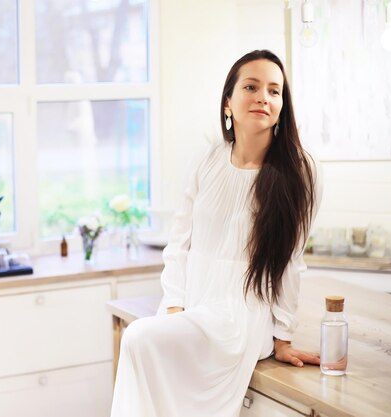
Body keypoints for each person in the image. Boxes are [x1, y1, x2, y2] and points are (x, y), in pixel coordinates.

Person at [110, 49, 324, 417]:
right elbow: (179, 245)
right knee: (151, 359)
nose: (263, 97)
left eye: (275, 91)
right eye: (252, 86)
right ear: (228, 102)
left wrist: (284, 337)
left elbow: (291, 263)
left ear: (282, 106)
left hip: (239, 316)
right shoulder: (207, 161)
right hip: (190, 304)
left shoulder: (301, 172)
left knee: (137, 337)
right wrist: (174, 306)